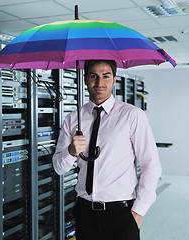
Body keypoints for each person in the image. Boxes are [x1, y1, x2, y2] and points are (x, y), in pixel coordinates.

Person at [52, 59, 162, 239]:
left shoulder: (132, 115)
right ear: (85, 79)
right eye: (93, 76)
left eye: (106, 76)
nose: (99, 83)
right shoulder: (73, 118)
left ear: (114, 79)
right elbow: (58, 167)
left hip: (121, 214)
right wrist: (71, 151)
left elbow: (151, 165)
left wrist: (139, 212)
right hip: (85, 212)